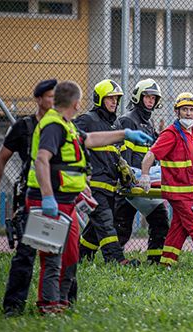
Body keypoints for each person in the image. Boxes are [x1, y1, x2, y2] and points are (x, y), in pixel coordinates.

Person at [25, 80, 153, 314]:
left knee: (72, 253)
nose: (78, 107)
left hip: (67, 200)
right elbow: (42, 159)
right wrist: (47, 198)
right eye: (77, 103)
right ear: (74, 103)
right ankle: (47, 304)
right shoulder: (54, 126)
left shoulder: (69, 126)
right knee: (51, 255)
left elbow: (91, 140)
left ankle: (63, 301)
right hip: (50, 199)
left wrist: (125, 134)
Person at [0, 79, 56, 316]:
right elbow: (1, 158)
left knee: (59, 254)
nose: (53, 101)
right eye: (49, 96)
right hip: (33, 197)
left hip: (58, 199)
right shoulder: (23, 127)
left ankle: (56, 303)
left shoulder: (61, 126)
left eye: (56, 96)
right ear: (38, 99)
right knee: (26, 253)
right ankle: (13, 307)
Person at [139, 92, 193, 267]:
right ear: (177, 112)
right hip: (179, 193)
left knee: (178, 230)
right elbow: (151, 154)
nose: (188, 113)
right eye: (184, 110)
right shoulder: (171, 134)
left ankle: (166, 263)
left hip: (192, 191)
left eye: (191, 110)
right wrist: (145, 174)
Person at [76, 79, 138, 266]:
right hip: (93, 184)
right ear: (99, 99)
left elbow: (115, 154)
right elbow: (75, 143)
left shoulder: (114, 124)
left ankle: (81, 256)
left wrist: (122, 167)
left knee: (96, 228)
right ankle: (116, 260)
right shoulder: (87, 120)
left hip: (110, 185)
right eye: (110, 98)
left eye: (116, 99)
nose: (114, 102)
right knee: (105, 222)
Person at [114, 78, 169, 264]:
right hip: (129, 183)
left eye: (154, 98)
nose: (151, 101)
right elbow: (123, 155)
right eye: (147, 97)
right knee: (120, 226)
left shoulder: (148, 123)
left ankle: (155, 260)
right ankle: (89, 256)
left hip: (143, 183)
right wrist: (128, 179)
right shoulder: (128, 120)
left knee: (160, 220)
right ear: (138, 97)